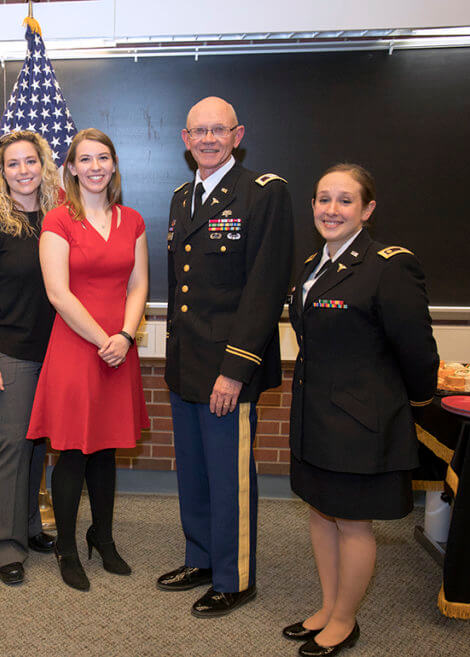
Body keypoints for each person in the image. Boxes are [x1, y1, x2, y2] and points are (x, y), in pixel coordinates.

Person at [285, 164, 437, 656]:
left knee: (352, 521)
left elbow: (417, 349)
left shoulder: (388, 266)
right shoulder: (314, 264)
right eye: (323, 199)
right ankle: (329, 607)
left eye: (345, 200)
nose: (331, 209)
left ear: (368, 210)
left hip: (359, 421)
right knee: (321, 512)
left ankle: (345, 620)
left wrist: (412, 405)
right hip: (314, 415)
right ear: (312, 207)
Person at [159, 97, 293, 616]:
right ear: (185, 139)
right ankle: (202, 558)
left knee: (229, 475)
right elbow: (180, 287)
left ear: (238, 135)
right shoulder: (181, 197)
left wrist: (235, 371)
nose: (208, 139)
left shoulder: (263, 194)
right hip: (185, 361)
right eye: (199, 131)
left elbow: (264, 290)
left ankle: (235, 578)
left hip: (226, 368)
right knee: (193, 471)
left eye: (219, 130)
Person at [26, 128, 150, 591]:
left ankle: (104, 536)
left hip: (118, 348)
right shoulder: (58, 220)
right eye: (85, 159)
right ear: (72, 168)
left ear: (114, 164)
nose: (95, 166)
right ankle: (67, 547)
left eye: (104, 158)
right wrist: (105, 339)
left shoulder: (133, 219)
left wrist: (124, 336)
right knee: (74, 451)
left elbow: (138, 285)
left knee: (106, 449)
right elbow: (58, 293)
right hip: (79, 347)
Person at [0, 131, 60, 585]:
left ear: (44, 166)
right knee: (12, 446)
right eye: (13, 164)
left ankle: (28, 526)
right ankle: (3, 545)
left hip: (51, 354)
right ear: (0, 173)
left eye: (30, 161)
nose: (23, 170)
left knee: (37, 443)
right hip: (3, 354)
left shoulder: (59, 221)